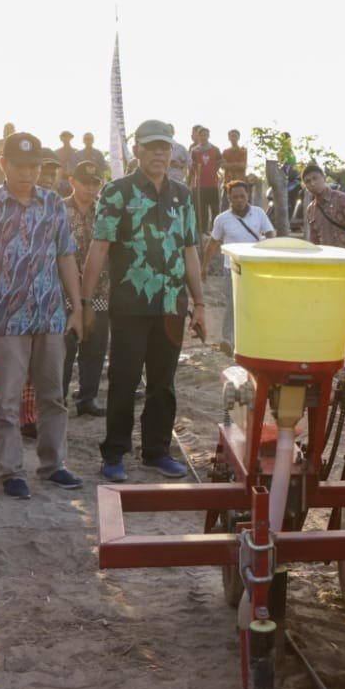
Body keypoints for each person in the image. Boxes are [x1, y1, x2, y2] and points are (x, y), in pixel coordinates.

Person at [0, 133, 83, 499]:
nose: (28, 173)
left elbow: (66, 255)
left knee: (53, 396)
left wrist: (77, 308)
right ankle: (11, 471)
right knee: (7, 401)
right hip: (6, 318)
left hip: (50, 315)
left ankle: (53, 464)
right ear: (3, 164)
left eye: (34, 166)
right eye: (20, 166)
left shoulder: (53, 204)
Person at [82, 119, 208, 482]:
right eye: (151, 146)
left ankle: (157, 452)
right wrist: (86, 303)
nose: (158, 153)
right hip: (130, 304)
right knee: (124, 378)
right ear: (136, 149)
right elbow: (99, 247)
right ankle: (115, 453)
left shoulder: (181, 195)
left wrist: (200, 304)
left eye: (164, 147)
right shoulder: (117, 192)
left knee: (163, 383)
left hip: (172, 306)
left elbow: (190, 250)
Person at [203, 179, 275, 349]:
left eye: (242, 196)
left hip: (255, 268)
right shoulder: (222, 219)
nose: (240, 200)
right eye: (235, 197)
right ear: (229, 198)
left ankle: (254, 337)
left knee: (255, 303)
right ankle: (228, 339)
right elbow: (213, 243)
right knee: (232, 303)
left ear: (247, 195)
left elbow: (270, 233)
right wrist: (204, 266)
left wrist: (270, 254)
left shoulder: (258, 213)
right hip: (232, 268)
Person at [62, 160, 109, 417]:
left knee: (95, 345)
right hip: (63, 292)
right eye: (85, 182)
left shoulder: (105, 211)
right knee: (64, 348)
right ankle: (59, 398)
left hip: (99, 290)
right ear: (72, 181)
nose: (90, 188)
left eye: (95, 183)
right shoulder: (58, 210)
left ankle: (87, 398)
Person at [302, 163, 345, 368]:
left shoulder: (343, 200)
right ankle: (330, 352)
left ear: (323, 178)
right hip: (326, 267)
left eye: (315, 179)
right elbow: (315, 241)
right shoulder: (311, 209)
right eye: (307, 181)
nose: (312, 184)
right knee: (327, 310)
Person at [190, 126, 221, 238]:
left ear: (208, 136)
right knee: (201, 209)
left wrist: (213, 170)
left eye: (205, 135)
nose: (203, 137)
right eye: (201, 135)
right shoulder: (195, 151)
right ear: (198, 136)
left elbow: (220, 161)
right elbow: (192, 167)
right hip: (200, 184)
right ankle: (203, 231)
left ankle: (215, 230)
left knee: (215, 208)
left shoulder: (215, 149)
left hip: (212, 182)